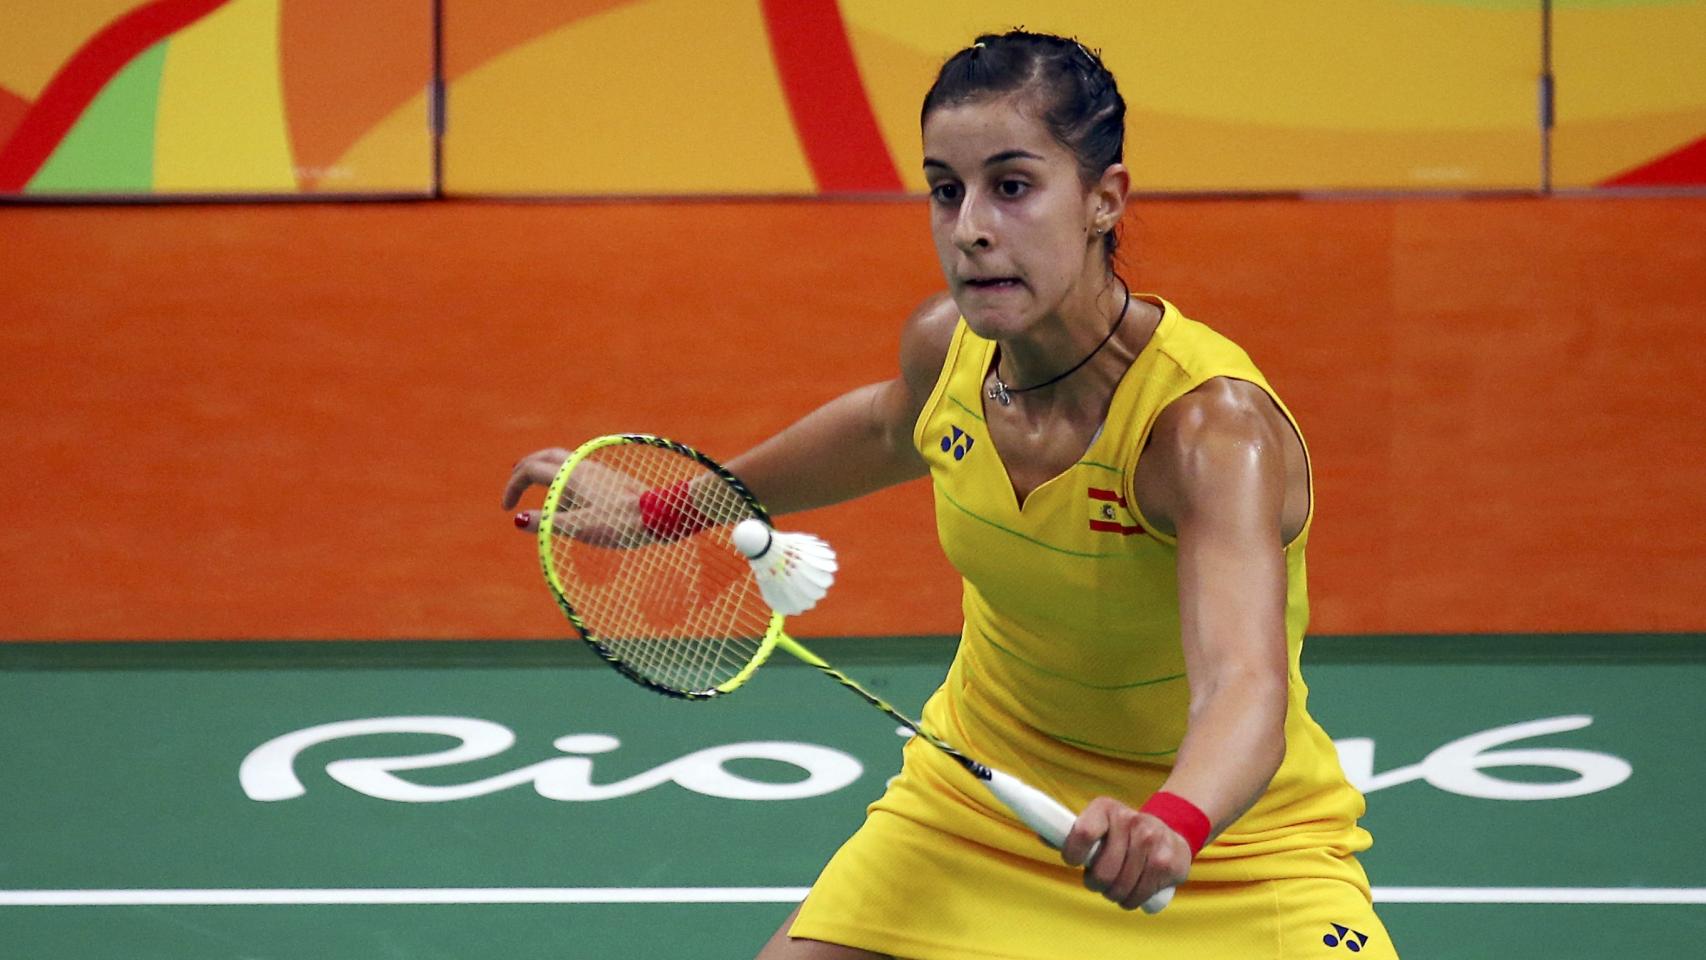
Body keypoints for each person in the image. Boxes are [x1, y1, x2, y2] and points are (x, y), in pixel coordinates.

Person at [505, 29, 1396, 960]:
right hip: (973, 808)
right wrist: (663, 510)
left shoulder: (1209, 433)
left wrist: (1173, 820)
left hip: (1222, 847)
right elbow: (889, 429)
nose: (971, 226)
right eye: (945, 189)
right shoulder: (950, 347)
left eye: (1012, 186)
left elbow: (1241, 682)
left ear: (1104, 200)